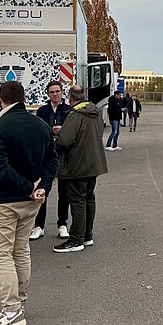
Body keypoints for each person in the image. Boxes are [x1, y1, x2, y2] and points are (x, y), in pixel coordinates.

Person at [0, 81, 58, 325]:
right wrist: (41, 188)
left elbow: (0, 169)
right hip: (31, 204)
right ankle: (20, 304)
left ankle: (11, 311)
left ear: (1, 100)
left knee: (2, 256)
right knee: (21, 250)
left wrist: (26, 187)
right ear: (23, 99)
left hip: (3, 202)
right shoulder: (42, 126)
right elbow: (51, 160)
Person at [53, 85, 109, 253]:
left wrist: (58, 137)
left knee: (77, 201)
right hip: (94, 163)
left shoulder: (75, 115)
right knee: (89, 198)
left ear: (70, 98)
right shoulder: (94, 112)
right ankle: (87, 235)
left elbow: (65, 140)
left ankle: (76, 239)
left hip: (77, 165)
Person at [31, 80, 72, 241]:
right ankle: (39, 226)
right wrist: (49, 129)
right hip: (46, 156)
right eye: (52, 92)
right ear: (47, 94)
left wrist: (63, 130)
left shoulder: (68, 111)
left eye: (57, 91)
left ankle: (62, 224)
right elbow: (37, 131)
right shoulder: (42, 111)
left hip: (63, 155)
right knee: (42, 190)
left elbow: (74, 132)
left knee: (64, 192)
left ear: (62, 93)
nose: (55, 94)